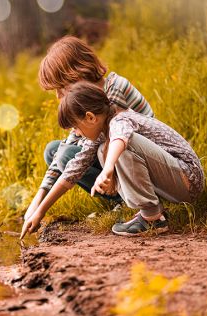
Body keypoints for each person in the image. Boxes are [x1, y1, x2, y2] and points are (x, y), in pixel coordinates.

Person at [20, 81, 204, 238]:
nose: (76, 134)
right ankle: (152, 213)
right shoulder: (100, 133)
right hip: (173, 180)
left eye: (76, 128)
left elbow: (120, 139)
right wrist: (40, 211)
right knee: (102, 150)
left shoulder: (120, 119)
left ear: (90, 117)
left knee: (121, 147)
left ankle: (152, 218)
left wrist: (108, 170)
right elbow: (73, 170)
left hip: (187, 179)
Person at [23, 35, 155, 229]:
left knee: (71, 156)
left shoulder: (113, 90)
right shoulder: (83, 101)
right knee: (54, 151)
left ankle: (132, 197)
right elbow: (68, 145)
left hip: (141, 162)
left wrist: (42, 209)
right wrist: (37, 199)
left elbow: (89, 152)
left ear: (77, 74)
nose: (59, 96)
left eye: (61, 88)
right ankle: (120, 199)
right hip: (112, 155)